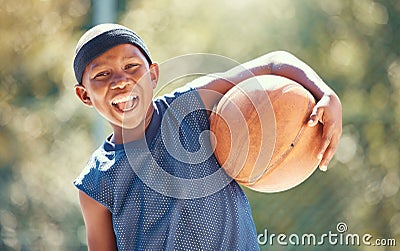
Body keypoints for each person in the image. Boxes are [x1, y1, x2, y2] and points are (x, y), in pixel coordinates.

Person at [73, 23, 342, 250]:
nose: (120, 81)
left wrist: (327, 95)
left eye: (131, 66)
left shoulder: (188, 108)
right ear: (84, 95)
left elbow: (273, 63)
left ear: (153, 75)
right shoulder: (97, 183)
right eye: (102, 74)